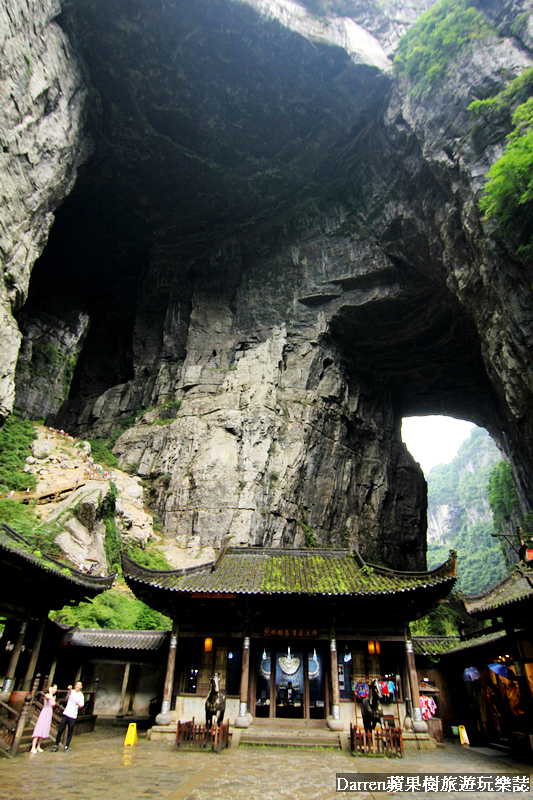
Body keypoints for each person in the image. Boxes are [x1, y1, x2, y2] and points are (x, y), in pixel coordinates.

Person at [51, 681, 84, 752]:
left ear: (81, 687)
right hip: (66, 713)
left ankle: (66, 746)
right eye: (76, 685)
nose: (77, 686)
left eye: (79, 685)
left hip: (73, 715)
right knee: (60, 729)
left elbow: (81, 705)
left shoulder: (81, 695)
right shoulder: (72, 692)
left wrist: (78, 704)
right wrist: (69, 689)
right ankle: (56, 745)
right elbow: (69, 694)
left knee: (70, 731)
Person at [30, 684, 57, 753]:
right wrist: (50, 691)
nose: (55, 690)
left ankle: (38, 746)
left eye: (56, 689)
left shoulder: (54, 696)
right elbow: (49, 698)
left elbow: (53, 704)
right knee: (39, 728)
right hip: (44, 712)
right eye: (54, 688)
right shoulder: (47, 695)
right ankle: (33, 747)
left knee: (44, 728)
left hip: (49, 712)